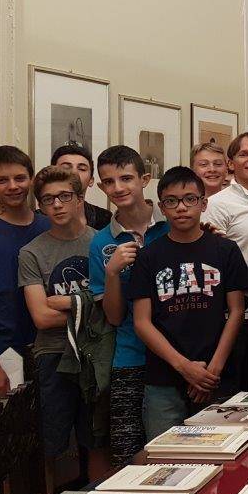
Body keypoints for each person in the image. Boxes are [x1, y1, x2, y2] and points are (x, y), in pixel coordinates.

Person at [128, 166, 247, 439]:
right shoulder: (149, 257)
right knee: (163, 459)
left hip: (217, 374)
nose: (181, 207)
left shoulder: (225, 250)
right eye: (172, 201)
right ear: (162, 207)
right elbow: (141, 322)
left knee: (222, 456)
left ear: (204, 204)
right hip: (164, 379)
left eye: (190, 199)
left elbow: (237, 310)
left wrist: (212, 369)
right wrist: (185, 368)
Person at [18, 166, 108, 480]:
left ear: (80, 198)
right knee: (55, 440)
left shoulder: (100, 243)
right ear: (40, 206)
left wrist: (65, 302)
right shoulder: (32, 253)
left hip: (95, 355)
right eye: (47, 200)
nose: (56, 205)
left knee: (96, 436)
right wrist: (88, 305)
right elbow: (42, 317)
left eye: (64, 196)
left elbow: (112, 309)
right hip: (53, 355)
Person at [89, 145, 170, 466]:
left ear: (145, 179)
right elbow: (112, 315)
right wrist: (111, 273)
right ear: (100, 187)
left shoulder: (173, 224)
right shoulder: (101, 242)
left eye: (126, 178)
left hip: (177, 351)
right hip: (130, 356)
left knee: (174, 448)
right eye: (109, 182)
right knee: (127, 451)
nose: (118, 188)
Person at [0, 146, 50, 395]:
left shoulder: (50, 226)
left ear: (31, 179)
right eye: (2, 180)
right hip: (5, 351)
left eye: (19, 178)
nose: (12, 186)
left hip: (50, 347)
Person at [203, 132, 248, 264]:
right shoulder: (216, 204)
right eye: (244, 154)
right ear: (230, 164)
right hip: (240, 283)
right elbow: (210, 260)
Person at [51, 144, 112, 229]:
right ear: (52, 176)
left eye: (82, 169)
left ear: (91, 180)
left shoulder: (105, 218)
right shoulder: (39, 220)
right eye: (66, 168)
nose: (74, 173)